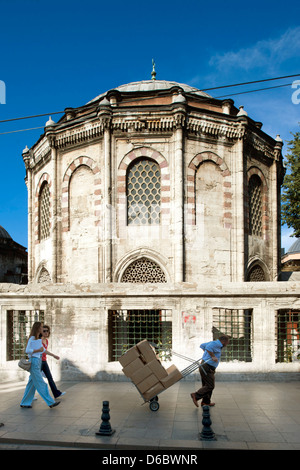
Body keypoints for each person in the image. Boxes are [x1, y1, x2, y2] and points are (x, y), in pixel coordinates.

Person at [20, 322, 60, 409]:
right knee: (41, 383)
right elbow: (27, 350)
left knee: (31, 384)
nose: (43, 329)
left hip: (38, 361)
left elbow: (43, 350)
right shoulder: (32, 338)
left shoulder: (37, 339)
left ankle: (24, 403)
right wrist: (38, 349)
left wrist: (53, 355)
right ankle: (50, 402)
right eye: (41, 327)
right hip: (34, 361)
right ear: (38, 328)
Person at [190, 335, 230, 408]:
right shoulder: (216, 344)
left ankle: (206, 402)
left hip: (206, 366)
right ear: (223, 341)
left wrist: (207, 354)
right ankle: (196, 395)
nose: (227, 344)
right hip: (207, 367)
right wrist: (212, 356)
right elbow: (208, 348)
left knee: (206, 385)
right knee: (210, 385)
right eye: (227, 343)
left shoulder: (214, 343)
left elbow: (202, 346)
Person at [41, 325, 65, 399]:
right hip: (38, 361)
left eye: (47, 331)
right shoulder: (39, 340)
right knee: (32, 380)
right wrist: (54, 355)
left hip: (44, 361)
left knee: (50, 377)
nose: (46, 332)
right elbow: (43, 350)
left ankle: (56, 393)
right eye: (44, 331)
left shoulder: (46, 341)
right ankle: (30, 396)